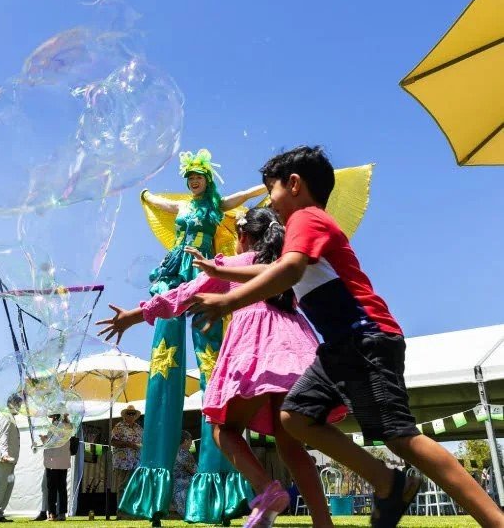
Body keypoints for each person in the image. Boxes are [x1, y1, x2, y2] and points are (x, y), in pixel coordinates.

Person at [184, 146, 504, 528]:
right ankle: (388, 481)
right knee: (296, 416)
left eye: (272, 190)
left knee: (400, 437)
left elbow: (286, 272)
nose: (270, 200)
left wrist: (228, 301)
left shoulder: (307, 218)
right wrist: (225, 277)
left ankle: (492, 520)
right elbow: (270, 268)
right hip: (339, 346)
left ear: (295, 185)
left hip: (367, 336)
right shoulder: (301, 229)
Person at [98, 207, 339, 527]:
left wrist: (134, 315)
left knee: (222, 429)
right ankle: (324, 524)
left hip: (258, 351)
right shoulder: (286, 267)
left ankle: (267, 489)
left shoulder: (235, 265)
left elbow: (183, 294)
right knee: (291, 445)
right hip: (297, 353)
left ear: (242, 237)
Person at [118, 149, 264, 523]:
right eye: (189, 178)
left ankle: (217, 488)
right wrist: (146, 196)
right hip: (171, 275)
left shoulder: (216, 205)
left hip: (204, 274)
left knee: (211, 364)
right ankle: (154, 496)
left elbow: (242, 197)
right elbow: (164, 204)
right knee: (163, 368)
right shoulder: (182, 207)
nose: (192, 181)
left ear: (208, 179)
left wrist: (266, 187)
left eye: (198, 176)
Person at [0, 393, 22, 523]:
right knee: (0, 486)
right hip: (4, 458)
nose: (19, 407)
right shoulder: (5, 416)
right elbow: (4, 436)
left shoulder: (10, 417)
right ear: (12, 404)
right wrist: (4, 453)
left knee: (8, 486)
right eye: (18, 404)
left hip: (10, 459)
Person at [110, 405, 143, 514]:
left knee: (135, 485)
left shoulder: (139, 428)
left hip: (136, 461)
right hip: (123, 462)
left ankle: (132, 510)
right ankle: (120, 511)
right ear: (125, 415)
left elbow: (143, 441)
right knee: (123, 486)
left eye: (133, 413)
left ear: (135, 416)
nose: (131, 415)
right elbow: (113, 441)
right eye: (129, 413)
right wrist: (129, 444)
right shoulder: (119, 426)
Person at [43, 414, 74, 521]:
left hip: (53, 462)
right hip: (63, 462)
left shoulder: (55, 426)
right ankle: (62, 513)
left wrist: (44, 439)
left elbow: (51, 442)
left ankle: (52, 514)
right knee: (62, 488)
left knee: (52, 489)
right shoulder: (69, 426)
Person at [172, 431, 197, 518]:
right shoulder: (184, 454)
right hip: (182, 482)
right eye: (190, 441)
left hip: (172, 482)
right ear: (186, 441)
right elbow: (195, 471)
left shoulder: (172, 450)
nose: (191, 444)